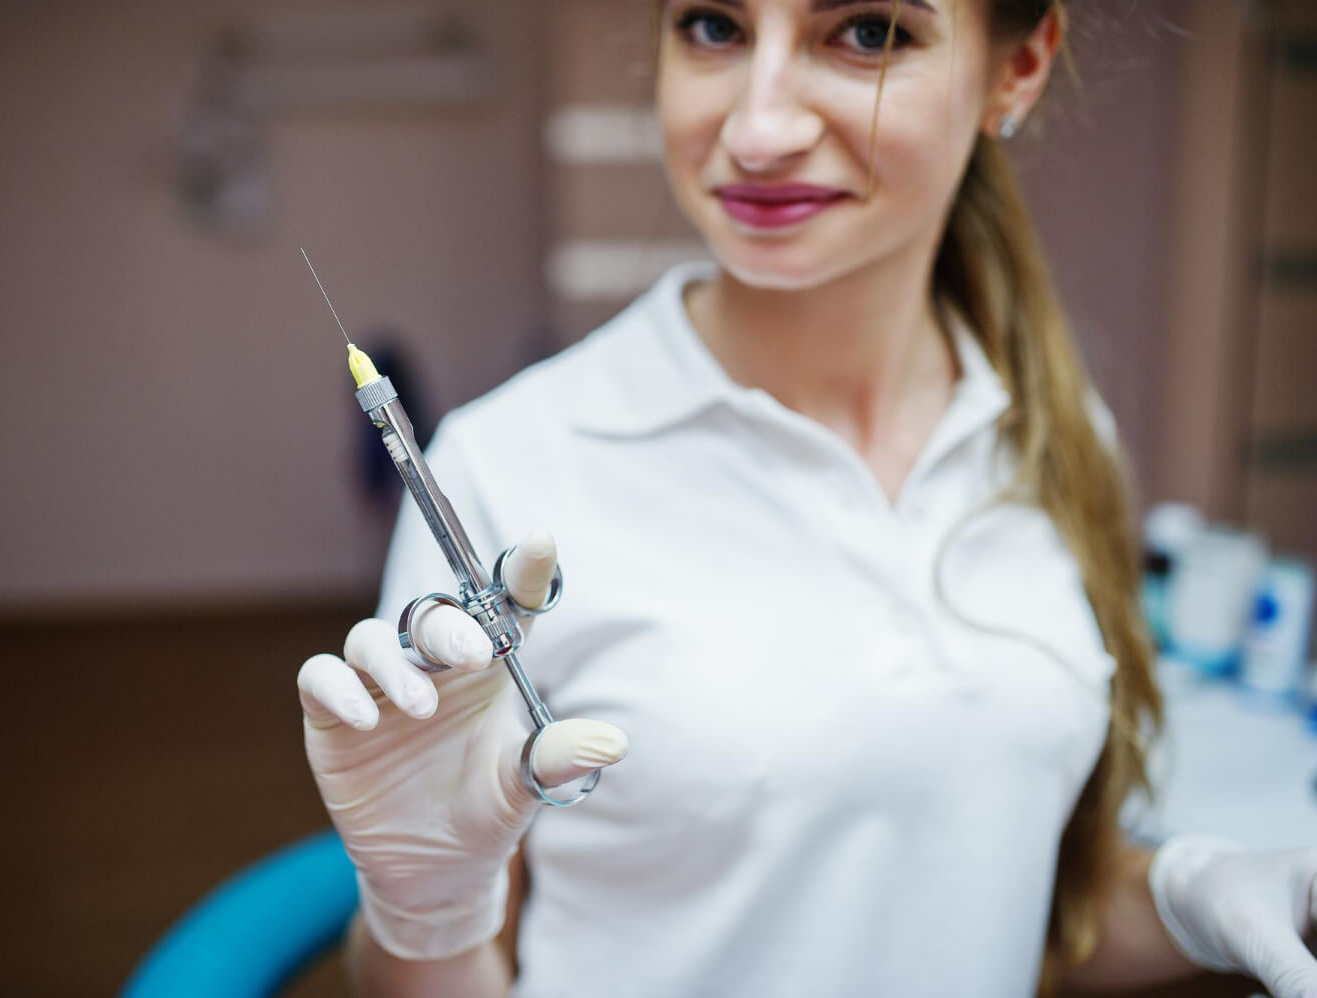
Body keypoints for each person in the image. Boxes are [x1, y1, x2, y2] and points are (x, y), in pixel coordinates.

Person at [298, 2, 1317, 995]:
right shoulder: (507, 467)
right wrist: (428, 907)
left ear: (1019, 66)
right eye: (714, 26)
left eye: (868, 31)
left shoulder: (1050, 428)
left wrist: (1188, 895)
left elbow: (1027, 914)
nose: (758, 127)